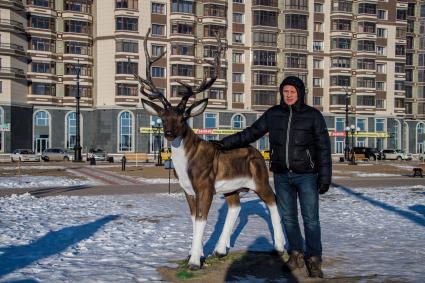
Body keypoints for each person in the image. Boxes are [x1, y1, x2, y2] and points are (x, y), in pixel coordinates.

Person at [212, 76, 332, 278]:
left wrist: (325, 176)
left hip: (307, 176)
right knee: (288, 218)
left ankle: (314, 258)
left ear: (300, 93)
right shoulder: (273, 114)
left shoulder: (313, 116)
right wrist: (224, 143)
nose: (289, 95)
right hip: (282, 175)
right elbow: (251, 133)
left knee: (311, 219)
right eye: (286, 91)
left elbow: (323, 148)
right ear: (281, 93)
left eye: (292, 92)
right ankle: (296, 254)